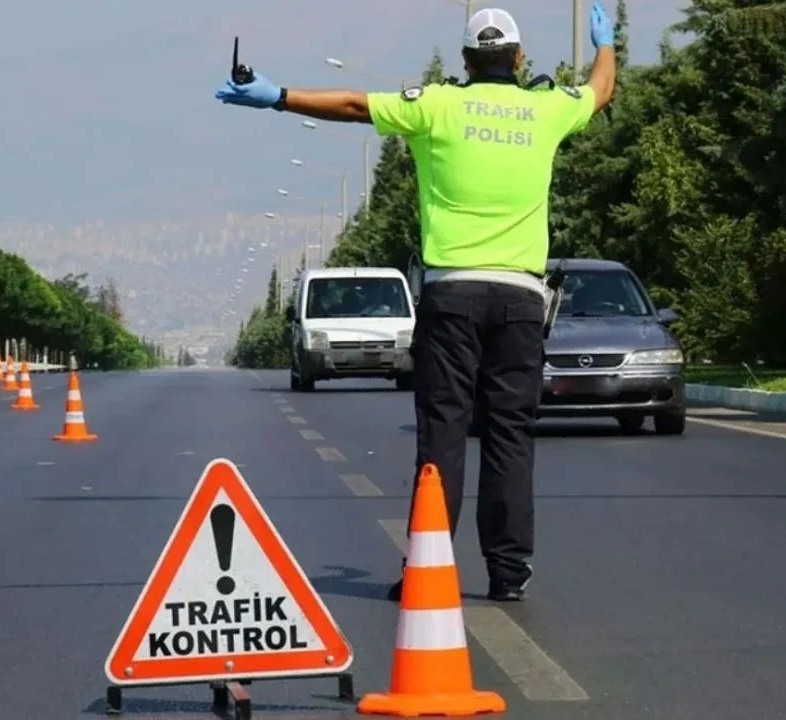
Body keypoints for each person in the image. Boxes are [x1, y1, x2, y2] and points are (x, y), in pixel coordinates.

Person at [215, 2, 617, 601]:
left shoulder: (436, 105)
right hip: (520, 300)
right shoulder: (546, 109)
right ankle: (508, 574)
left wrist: (278, 96)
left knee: (444, 433)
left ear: (464, 60)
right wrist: (604, 43)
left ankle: (428, 566)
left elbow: (354, 106)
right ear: (518, 58)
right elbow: (600, 91)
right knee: (510, 435)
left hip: (451, 296)